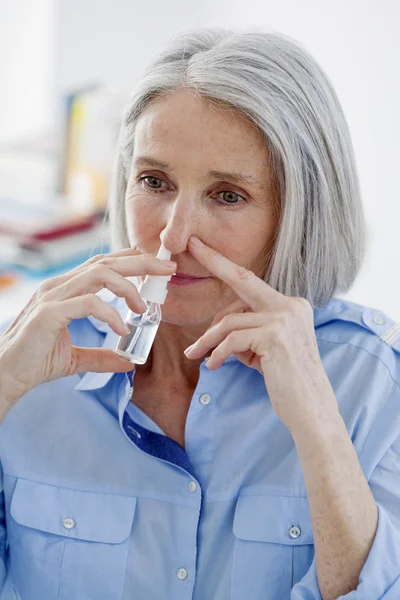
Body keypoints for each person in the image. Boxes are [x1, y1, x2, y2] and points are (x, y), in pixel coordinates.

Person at [0, 28, 399, 600]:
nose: (175, 234)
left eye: (228, 195)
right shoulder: (32, 354)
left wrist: (319, 427)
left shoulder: (375, 382)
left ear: (298, 214)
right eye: (154, 182)